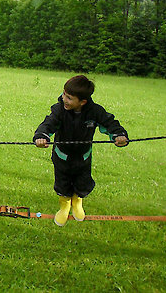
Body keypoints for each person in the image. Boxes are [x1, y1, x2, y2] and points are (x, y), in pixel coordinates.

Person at [33, 75, 128, 226]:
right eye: (64, 94)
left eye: (69, 98)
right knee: (62, 184)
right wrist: (41, 136)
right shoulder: (59, 110)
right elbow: (48, 124)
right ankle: (64, 206)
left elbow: (110, 123)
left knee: (83, 184)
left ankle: (77, 203)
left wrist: (119, 135)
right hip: (61, 157)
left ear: (82, 101)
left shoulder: (95, 112)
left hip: (83, 158)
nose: (64, 99)